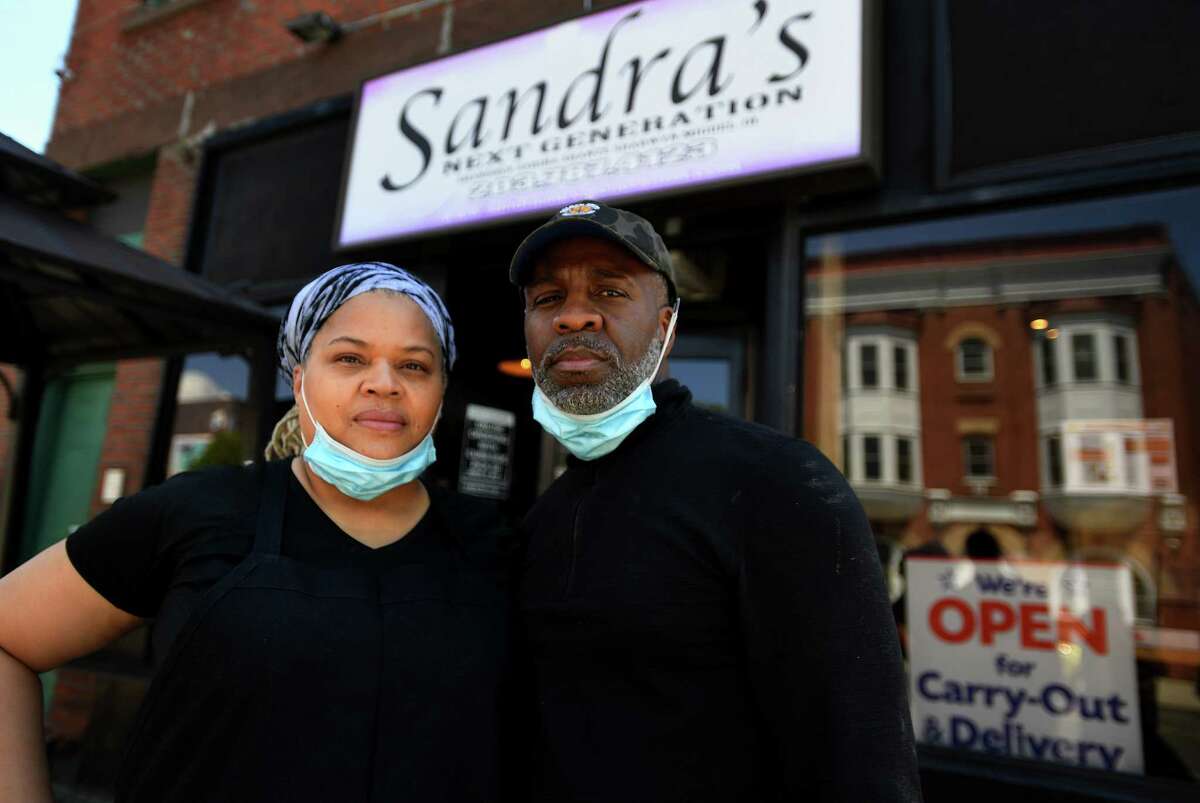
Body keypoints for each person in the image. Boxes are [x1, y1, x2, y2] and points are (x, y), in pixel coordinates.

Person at [0, 263, 517, 802]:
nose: (384, 383)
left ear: (440, 391)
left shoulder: (493, 542)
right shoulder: (201, 510)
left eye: (414, 365)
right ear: (298, 381)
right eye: (349, 358)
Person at [511, 200, 922, 802]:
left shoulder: (774, 483)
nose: (575, 316)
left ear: (665, 323)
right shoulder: (543, 519)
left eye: (610, 291)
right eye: (548, 299)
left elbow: (860, 762)